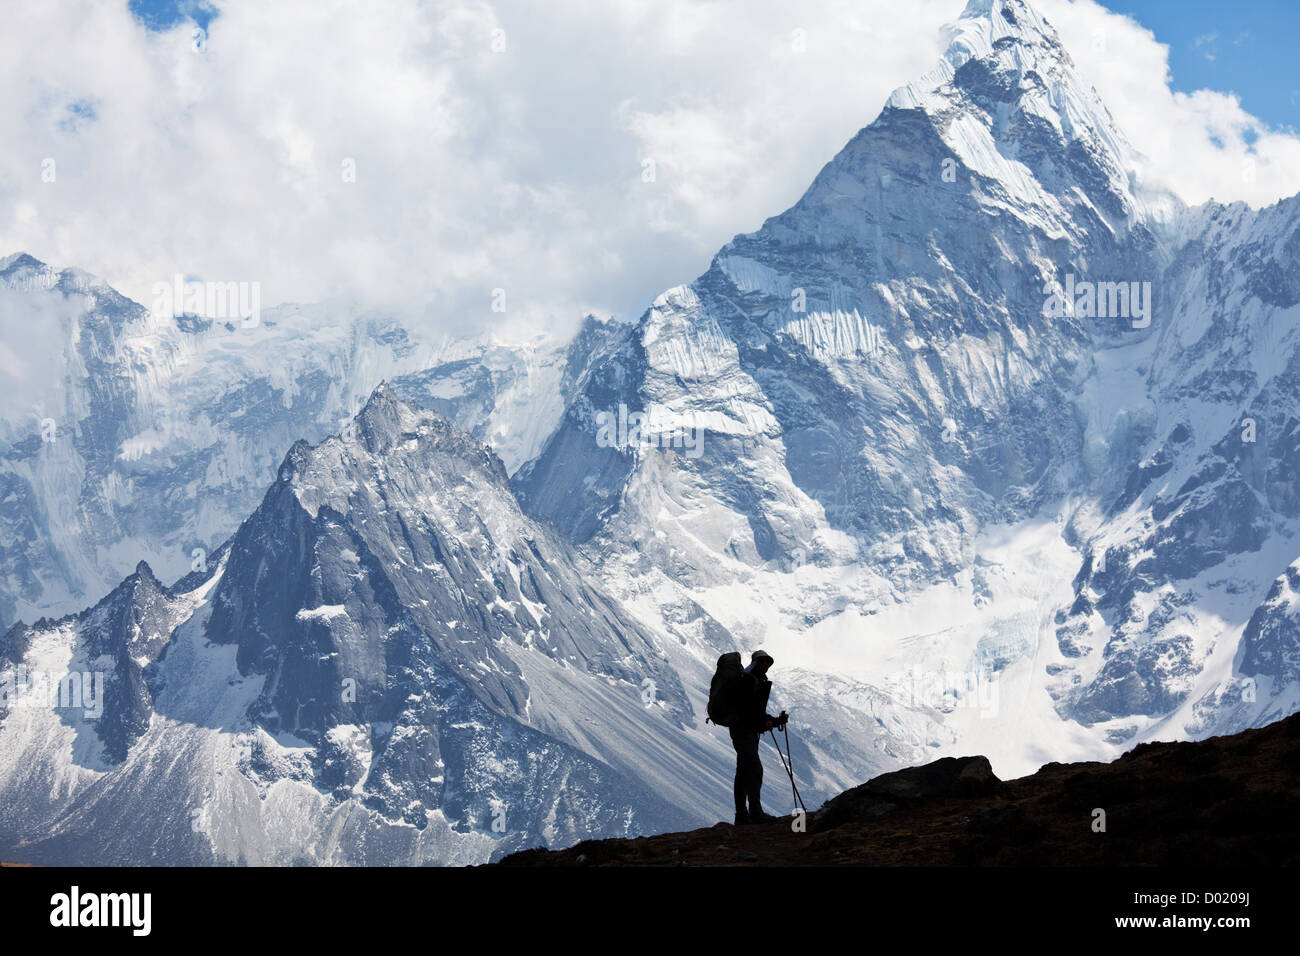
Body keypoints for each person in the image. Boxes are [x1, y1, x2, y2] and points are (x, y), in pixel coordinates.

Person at [729, 649, 786, 825]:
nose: (766, 665)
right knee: (754, 769)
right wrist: (768, 723)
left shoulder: (752, 679)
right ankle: (755, 812)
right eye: (763, 662)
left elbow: (755, 712)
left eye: (767, 662)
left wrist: (775, 721)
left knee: (743, 771)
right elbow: (749, 712)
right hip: (744, 731)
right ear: (756, 662)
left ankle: (742, 815)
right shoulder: (749, 681)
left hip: (744, 731)